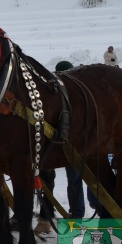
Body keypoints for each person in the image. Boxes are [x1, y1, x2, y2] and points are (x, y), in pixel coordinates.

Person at [55, 60, 85, 217]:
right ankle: (78, 212)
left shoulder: (73, 93)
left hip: (77, 144)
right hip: (76, 144)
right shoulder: (75, 92)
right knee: (77, 181)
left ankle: (78, 213)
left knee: (77, 181)